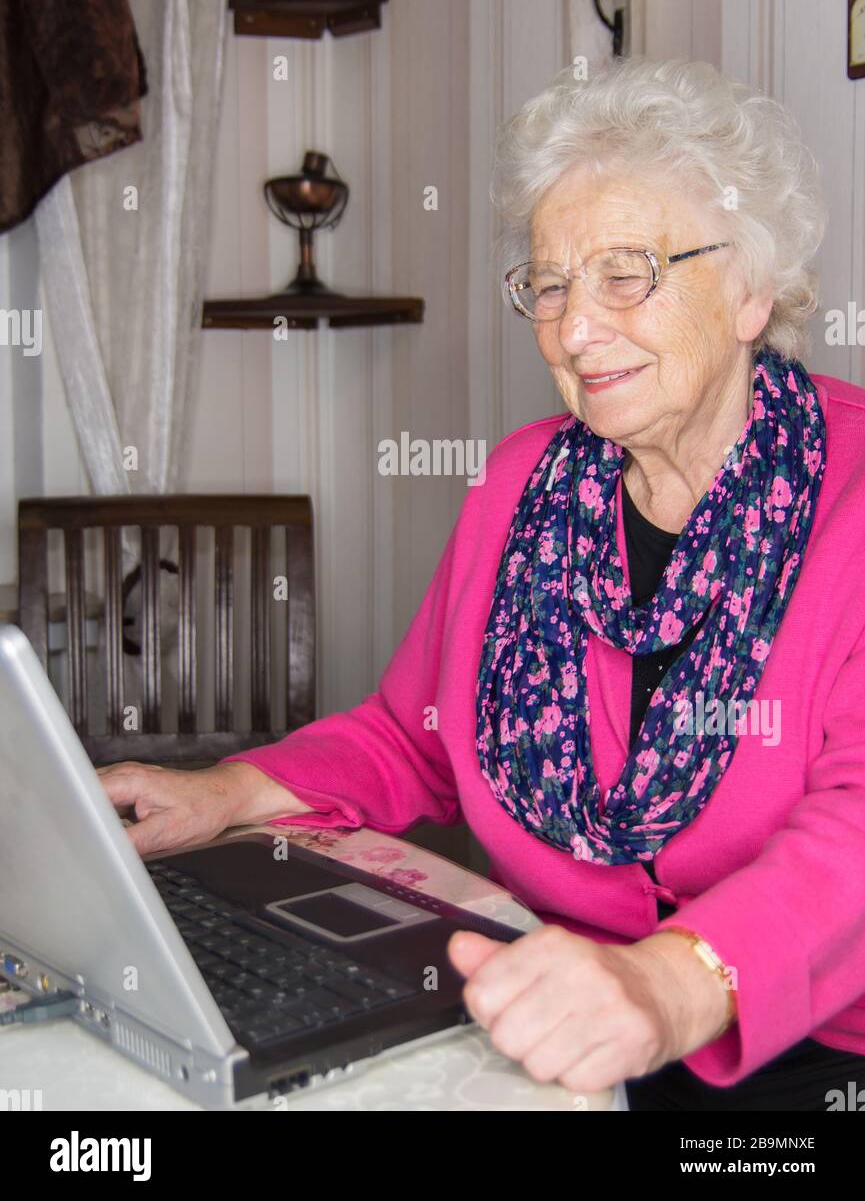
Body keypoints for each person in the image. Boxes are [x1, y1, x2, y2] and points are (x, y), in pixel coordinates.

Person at [100, 57, 865, 1110]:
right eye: (549, 284)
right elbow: (419, 736)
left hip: (812, 1055)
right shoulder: (521, 488)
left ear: (749, 290)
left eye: (625, 273)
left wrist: (673, 981)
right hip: (556, 1017)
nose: (574, 327)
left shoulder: (853, 500)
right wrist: (219, 794)